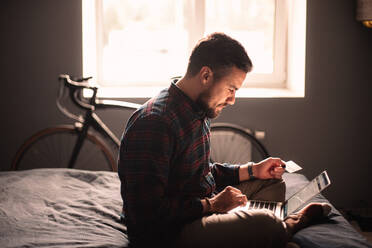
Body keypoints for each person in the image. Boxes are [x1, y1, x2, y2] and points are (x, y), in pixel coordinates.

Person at [118, 32, 331, 248]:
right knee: (266, 223)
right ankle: (288, 225)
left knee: (271, 183)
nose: (232, 100)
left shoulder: (197, 109)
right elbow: (146, 215)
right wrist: (211, 205)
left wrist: (253, 170)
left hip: (200, 207)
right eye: (231, 89)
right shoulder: (155, 123)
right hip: (169, 233)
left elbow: (203, 173)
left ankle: (267, 231)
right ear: (206, 75)